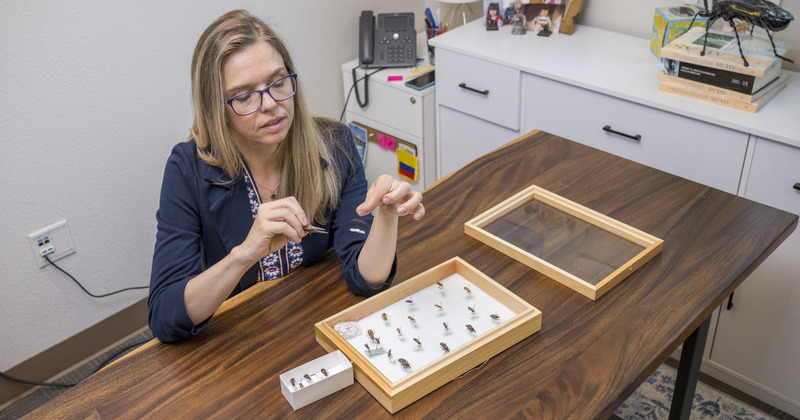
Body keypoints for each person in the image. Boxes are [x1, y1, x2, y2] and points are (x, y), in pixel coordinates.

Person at [148, 10, 425, 342]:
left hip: (311, 327)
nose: (269, 104)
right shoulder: (187, 169)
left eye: (278, 82)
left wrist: (386, 215)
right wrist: (245, 254)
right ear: (216, 108)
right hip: (236, 344)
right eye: (244, 95)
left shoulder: (335, 145)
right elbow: (165, 316)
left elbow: (367, 280)